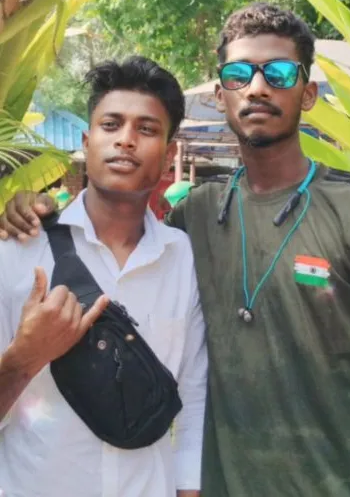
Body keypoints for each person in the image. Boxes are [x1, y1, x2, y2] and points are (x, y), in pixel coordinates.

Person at [3, 3, 350, 497]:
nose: (257, 87)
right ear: (220, 96)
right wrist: (30, 209)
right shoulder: (196, 217)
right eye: (239, 75)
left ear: (309, 93)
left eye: (278, 72)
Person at [0, 56, 207, 497]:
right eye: (111, 125)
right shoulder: (17, 249)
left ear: (169, 154)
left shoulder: (182, 256)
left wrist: (189, 490)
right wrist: (24, 357)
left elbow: (193, 392)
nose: (126, 140)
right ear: (87, 139)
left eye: (146, 129)